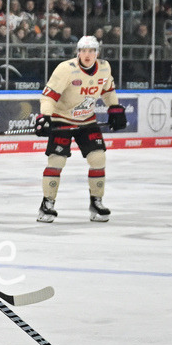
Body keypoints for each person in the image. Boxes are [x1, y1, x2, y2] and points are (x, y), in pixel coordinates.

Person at [35, 35, 127, 223]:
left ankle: (96, 202)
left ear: (97, 53)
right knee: (57, 160)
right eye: (83, 51)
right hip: (61, 120)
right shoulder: (66, 69)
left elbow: (108, 91)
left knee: (98, 158)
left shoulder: (104, 68)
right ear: (78, 52)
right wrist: (45, 116)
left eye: (91, 51)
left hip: (87, 121)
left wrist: (114, 108)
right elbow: (48, 96)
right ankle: (47, 204)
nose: (87, 55)